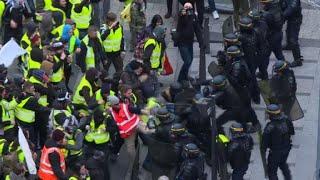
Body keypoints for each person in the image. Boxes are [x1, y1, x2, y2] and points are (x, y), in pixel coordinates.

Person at [262, 104, 294, 180]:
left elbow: (264, 143)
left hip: (275, 152)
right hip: (286, 149)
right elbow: (292, 131)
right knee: (283, 164)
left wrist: (263, 150)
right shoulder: (286, 119)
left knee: (272, 172)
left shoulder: (270, 127)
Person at [175, 3, 204, 83]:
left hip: (189, 43)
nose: (187, 9)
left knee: (190, 60)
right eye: (186, 7)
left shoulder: (194, 17)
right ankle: (180, 79)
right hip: (182, 43)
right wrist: (183, 13)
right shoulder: (182, 16)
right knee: (187, 61)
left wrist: (201, 43)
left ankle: (185, 76)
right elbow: (181, 16)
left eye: (189, 7)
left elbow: (197, 30)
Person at [14, 81, 50, 146]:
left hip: (18, 120)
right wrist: (50, 110)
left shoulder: (20, 95)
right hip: (27, 124)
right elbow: (40, 108)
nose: (34, 89)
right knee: (31, 140)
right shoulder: (31, 100)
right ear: (27, 89)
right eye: (32, 88)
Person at [249, 10, 270, 80]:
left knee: (252, 70)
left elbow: (253, 42)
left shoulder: (254, 30)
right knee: (263, 69)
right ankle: (266, 83)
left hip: (258, 52)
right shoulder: (264, 24)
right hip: (265, 49)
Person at [281, 0, 303, 67]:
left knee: (293, 39)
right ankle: (289, 46)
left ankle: (298, 60)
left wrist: (282, 16)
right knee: (288, 31)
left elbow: (291, 9)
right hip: (290, 19)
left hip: (295, 20)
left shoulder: (295, 1)